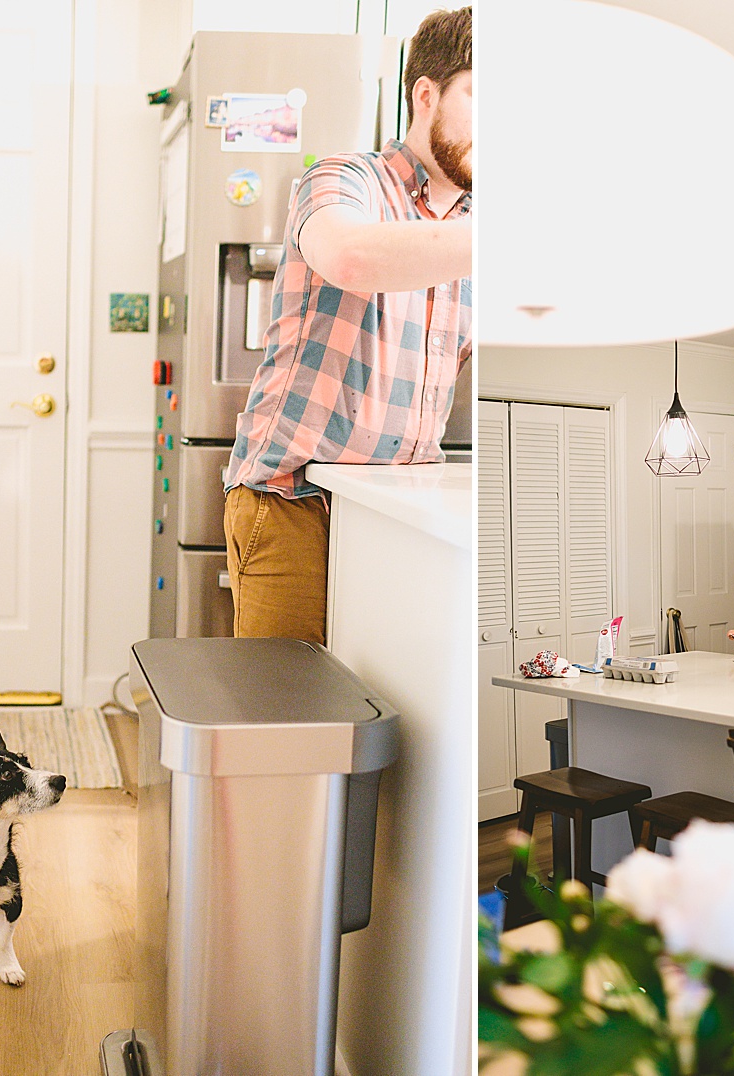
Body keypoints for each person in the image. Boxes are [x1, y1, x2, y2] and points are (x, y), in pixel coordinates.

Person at [222, 7, 472, 644]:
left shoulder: (476, 226)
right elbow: (350, 255)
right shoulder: (344, 177)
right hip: (294, 502)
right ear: (427, 94)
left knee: (382, 719)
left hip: (397, 510)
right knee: (287, 719)